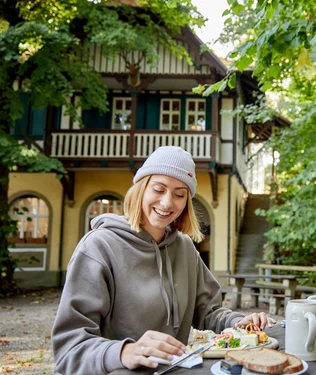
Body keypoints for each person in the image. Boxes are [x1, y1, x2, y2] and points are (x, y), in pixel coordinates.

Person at [52, 146, 275, 375]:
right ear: (141, 189)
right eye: (158, 189)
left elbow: (208, 314)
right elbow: (70, 348)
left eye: (179, 194)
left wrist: (238, 322)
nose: (167, 203)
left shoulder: (186, 248)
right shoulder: (98, 247)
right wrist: (124, 352)